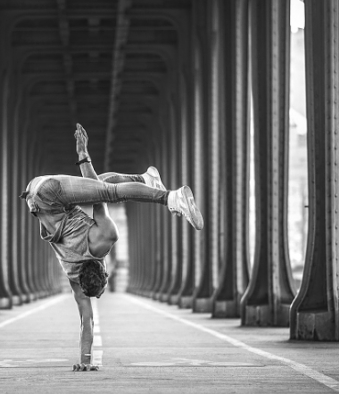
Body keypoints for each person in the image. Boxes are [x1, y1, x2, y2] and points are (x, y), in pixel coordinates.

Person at [20, 124, 204, 371]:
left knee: (109, 191)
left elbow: (101, 195)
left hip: (50, 193)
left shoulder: (103, 239)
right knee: (101, 183)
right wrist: (85, 361)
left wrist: (83, 154)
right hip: (36, 196)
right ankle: (146, 179)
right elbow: (87, 321)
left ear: (104, 270)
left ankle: (171, 198)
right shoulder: (73, 277)